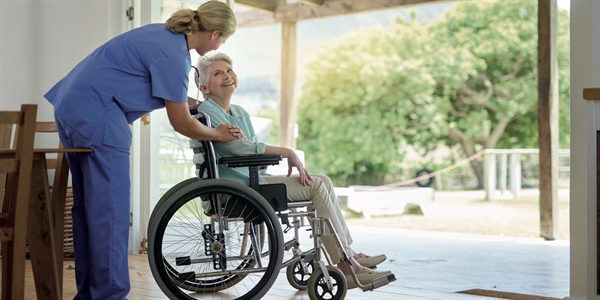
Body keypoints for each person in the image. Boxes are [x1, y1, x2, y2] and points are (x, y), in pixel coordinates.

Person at [43, 2, 240, 299]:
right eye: (223, 40)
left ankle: (90, 294)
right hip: (99, 112)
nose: (220, 45)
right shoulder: (175, 55)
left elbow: (157, 88)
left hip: (72, 106)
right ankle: (109, 295)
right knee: (110, 211)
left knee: (88, 209)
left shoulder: (162, 35)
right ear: (215, 34)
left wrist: (195, 104)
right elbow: (182, 124)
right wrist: (217, 133)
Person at [193, 52, 394, 289]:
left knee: (324, 181)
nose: (227, 76)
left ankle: (348, 254)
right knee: (317, 186)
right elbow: (240, 148)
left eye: (229, 70)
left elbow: (251, 152)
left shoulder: (239, 113)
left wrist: (253, 152)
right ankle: (345, 265)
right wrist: (286, 152)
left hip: (253, 180)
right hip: (238, 189)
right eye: (218, 73)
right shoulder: (207, 111)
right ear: (204, 87)